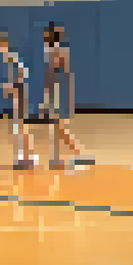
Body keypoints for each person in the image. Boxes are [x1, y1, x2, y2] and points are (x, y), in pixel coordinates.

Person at [39, 24, 91, 169]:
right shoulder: (50, 52)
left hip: (58, 93)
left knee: (60, 127)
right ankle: (55, 158)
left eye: (47, 35)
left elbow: (61, 74)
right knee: (54, 128)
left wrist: (61, 96)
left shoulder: (58, 52)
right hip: (54, 93)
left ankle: (79, 154)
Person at [0, 32, 36, 170]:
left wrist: (13, 88)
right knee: (19, 128)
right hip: (18, 96)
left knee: (22, 128)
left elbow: (21, 77)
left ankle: (27, 158)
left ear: (3, 44)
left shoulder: (12, 59)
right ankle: (23, 157)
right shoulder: (10, 59)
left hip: (20, 96)